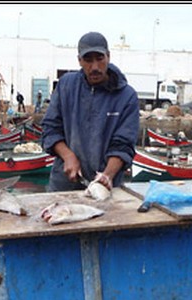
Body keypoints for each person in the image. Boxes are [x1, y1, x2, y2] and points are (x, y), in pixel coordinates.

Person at [41, 31, 139, 192]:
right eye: (88, 60)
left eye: (100, 59)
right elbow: (50, 129)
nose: (94, 67)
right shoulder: (66, 86)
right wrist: (68, 156)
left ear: (108, 56)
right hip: (63, 185)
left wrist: (106, 176)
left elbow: (124, 145)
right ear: (79, 60)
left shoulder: (127, 97)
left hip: (106, 187)